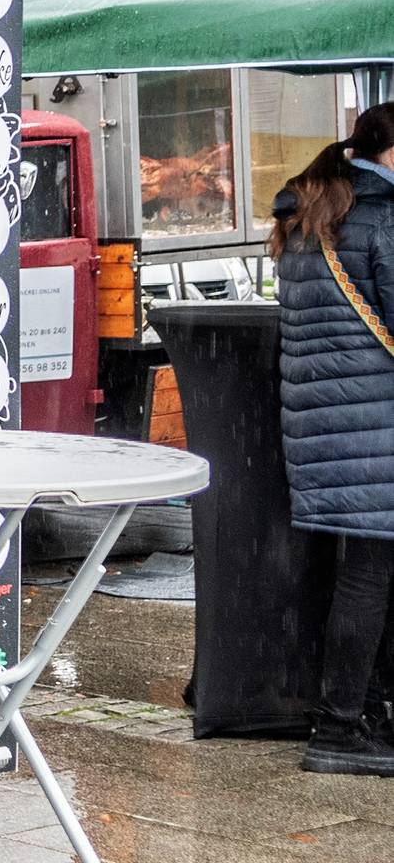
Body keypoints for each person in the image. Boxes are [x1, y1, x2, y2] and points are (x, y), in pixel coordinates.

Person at [270, 102, 394, 775]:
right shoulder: (380, 217)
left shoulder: (311, 213)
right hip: (375, 422)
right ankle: (341, 729)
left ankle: (364, 712)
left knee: (367, 571)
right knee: (370, 576)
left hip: (327, 423)